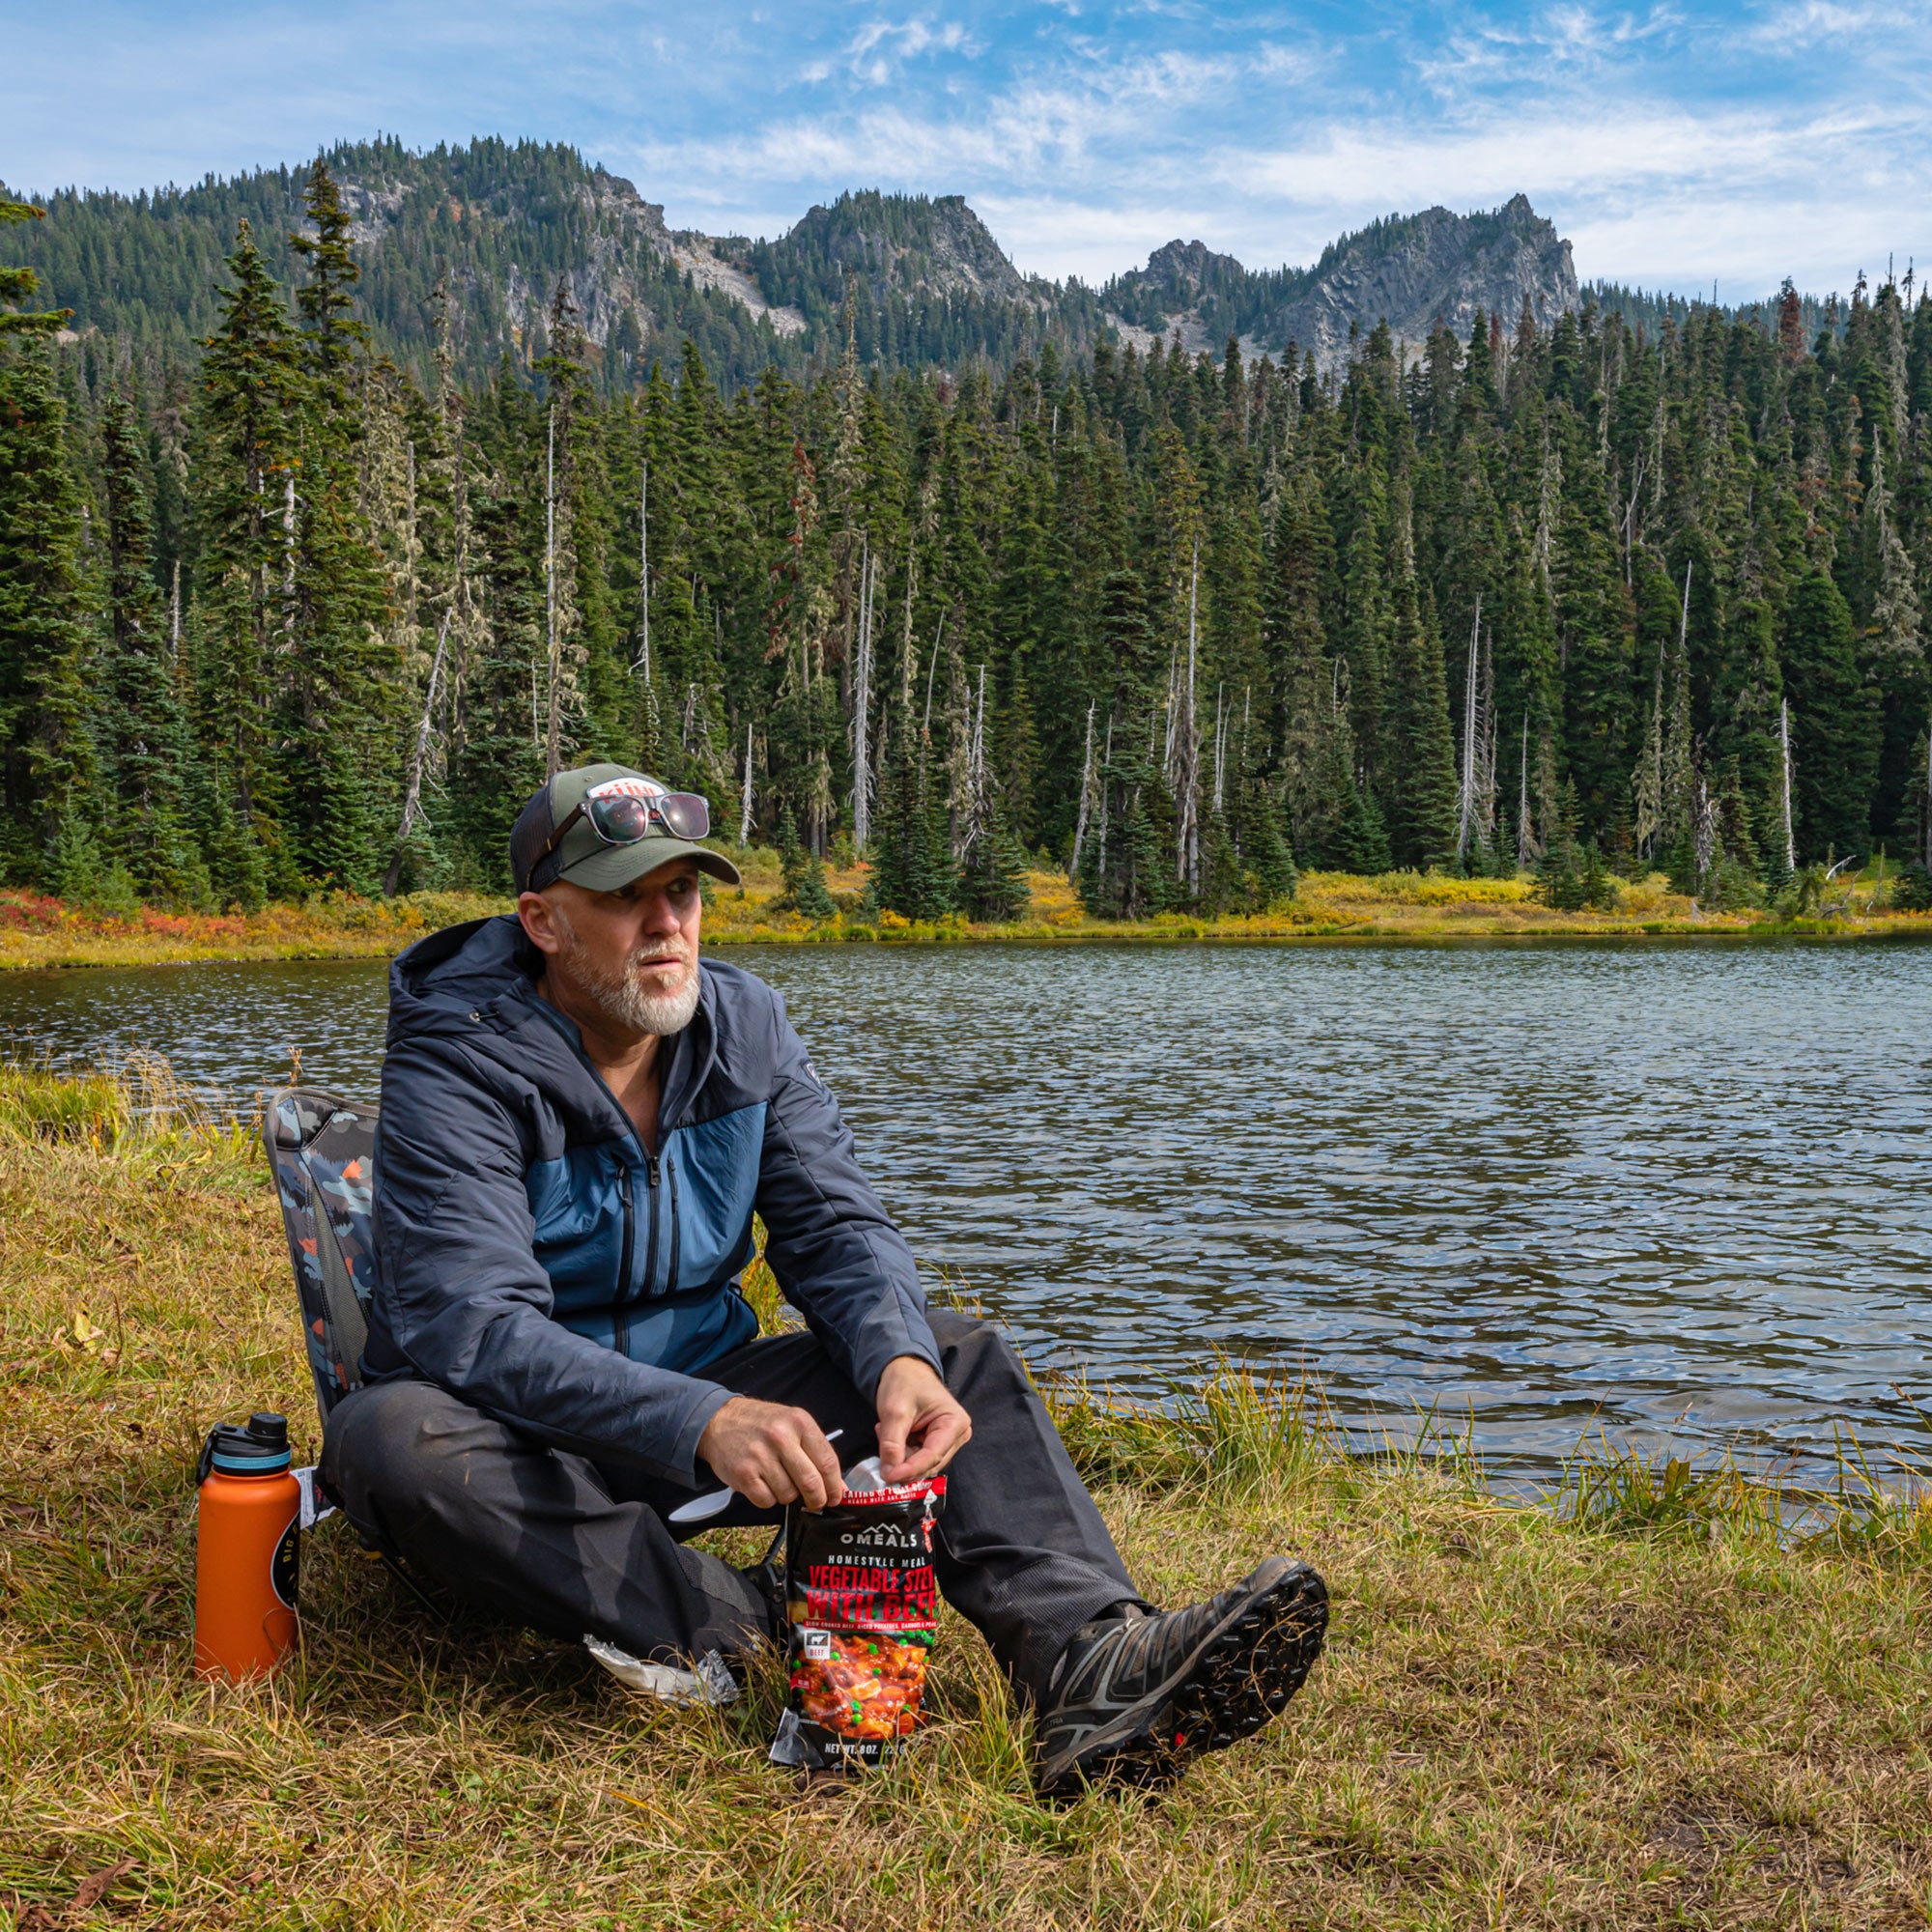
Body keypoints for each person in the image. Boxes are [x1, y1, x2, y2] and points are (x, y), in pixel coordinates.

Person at [321, 764, 1326, 1794]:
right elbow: (474, 1326)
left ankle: (1091, 1661)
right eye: (626, 896)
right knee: (393, 1442)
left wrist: (892, 1353)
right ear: (543, 920)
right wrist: (701, 1416)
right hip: (518, 1435)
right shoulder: (458, 1057)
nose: (666, 923)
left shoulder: (743, 1029)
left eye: (684, 891)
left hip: (703, 1389)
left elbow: (836, 1223)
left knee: (952, 1353)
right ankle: (749, 1625)